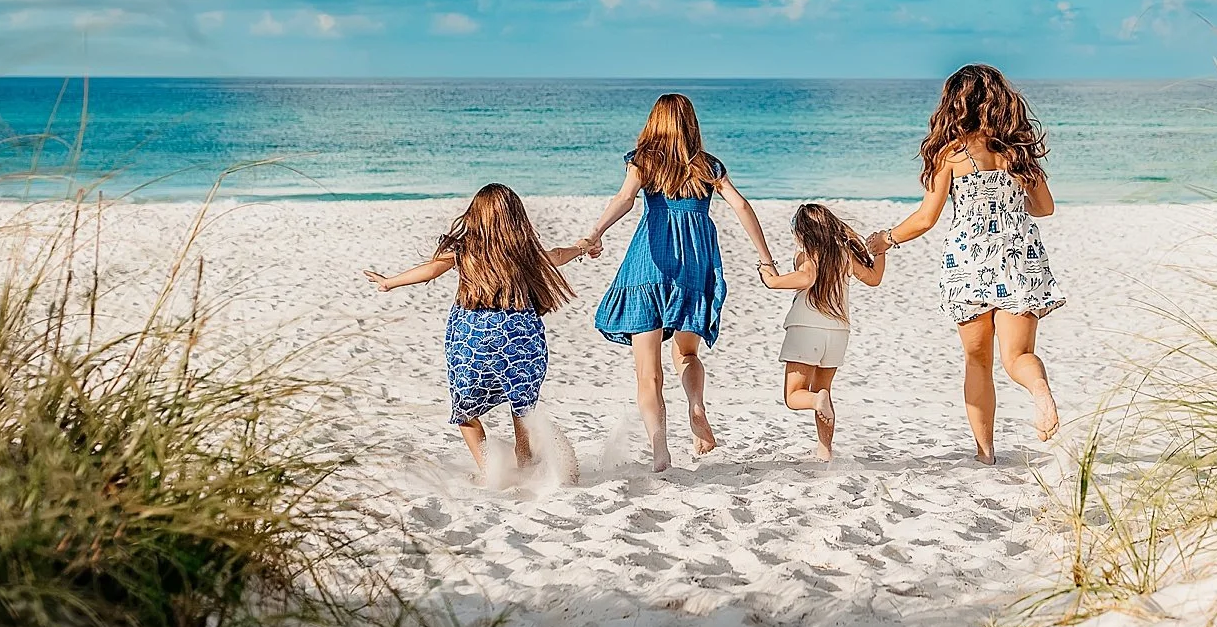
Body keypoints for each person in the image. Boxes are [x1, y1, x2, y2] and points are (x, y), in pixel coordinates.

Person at [871, 64, 1064, 462]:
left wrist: (885, 240)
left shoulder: (951, 154)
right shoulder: (1018, 151)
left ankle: (985, 452)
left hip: (969, 263)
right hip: (1018, 259)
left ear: (954, 104)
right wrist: (1011, 204)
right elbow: (1044, 208)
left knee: (977, 361)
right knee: (1018, 357)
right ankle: (1040, 391)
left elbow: (926, 218)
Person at [586, 92, 774, 472]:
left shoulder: (643, 162)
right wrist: (765, 259)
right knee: (687, 354)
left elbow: (624, 199)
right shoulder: (708, 167)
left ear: (654, 123)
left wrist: (595, 233)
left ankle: (660, 451)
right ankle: (696, 405)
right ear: (691, 125)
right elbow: (740, 205)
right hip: (695, 267)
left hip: (648, 267)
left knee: (648, 373)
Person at [365, 183, 590, 479]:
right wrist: (582, 248)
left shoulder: (464, 250)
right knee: (522, 405)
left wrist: (389, 282)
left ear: (475, 215)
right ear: (516, 217)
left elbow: (429, 271)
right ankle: (524, 458)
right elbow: (557, 255)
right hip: (521, 338)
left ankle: (489, 470)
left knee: (466, 413)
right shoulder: (523, 251)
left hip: (474, 340)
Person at [757, 202, 885, 461]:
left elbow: (806, 278)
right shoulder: (845, 255)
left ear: (803, 232)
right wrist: (881, 252)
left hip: (806, 330)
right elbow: (874, 279)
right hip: (838, 333)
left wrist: (772, 281)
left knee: (794, 396)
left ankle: (817, 402)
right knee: (823, 389)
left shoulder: (806, 255)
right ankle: (825, 450)